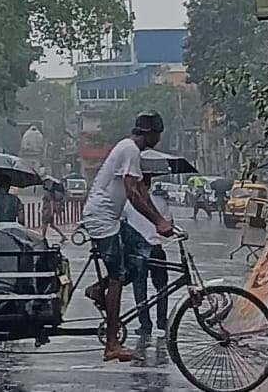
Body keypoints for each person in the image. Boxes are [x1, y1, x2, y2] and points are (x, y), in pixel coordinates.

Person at [80, 111, 174, 363]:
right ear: (150, 133)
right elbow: (133, 194)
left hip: (113, 218)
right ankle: (112, 344)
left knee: (140, 258)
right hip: (101, 219)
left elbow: (141, 190)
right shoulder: (130, 149)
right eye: (158, 135)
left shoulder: (132, 151)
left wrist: (161, 222)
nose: (159, 139)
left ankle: (98, 291)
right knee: (118, 276)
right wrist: (158, 221)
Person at [124, 178, 174, 338]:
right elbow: (168, 224)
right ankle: (162, 321)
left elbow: (122, 223)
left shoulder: (128, 201)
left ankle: (145, 325)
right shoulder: (161, 201)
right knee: (162, 288)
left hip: (137, 251)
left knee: (140, 289)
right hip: (156, 248)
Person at [40, 178, 67, 242]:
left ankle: (43, 238)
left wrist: (51, 212)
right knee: (52, 225)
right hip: (48, 210)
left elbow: (51, 202)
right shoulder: (50, 193)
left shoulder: (47, 193)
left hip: (47, 211)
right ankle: (63, 236)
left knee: (44, 225)